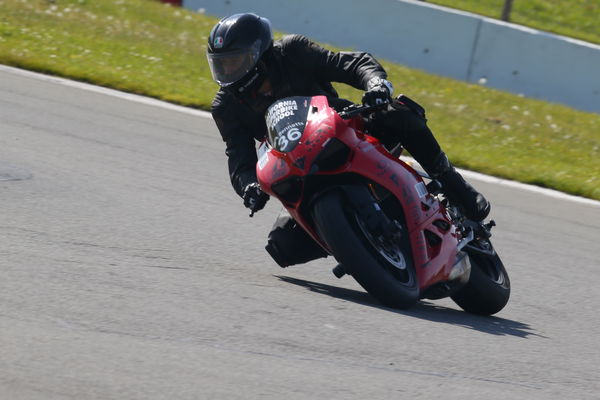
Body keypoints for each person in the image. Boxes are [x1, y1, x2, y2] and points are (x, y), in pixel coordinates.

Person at [207, 13, 490, 268]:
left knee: (397, 112)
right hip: (297, 165)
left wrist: (376, 84)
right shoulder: (226, 106)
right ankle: (357, 244)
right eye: (221, 65)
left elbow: (351, 64)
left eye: (235, 62)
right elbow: (239, 158)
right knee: (282, 246)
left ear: (258, 53)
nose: (228, 72)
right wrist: (249, 187)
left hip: (346, 130)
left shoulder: (291, 51)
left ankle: (453, 183)